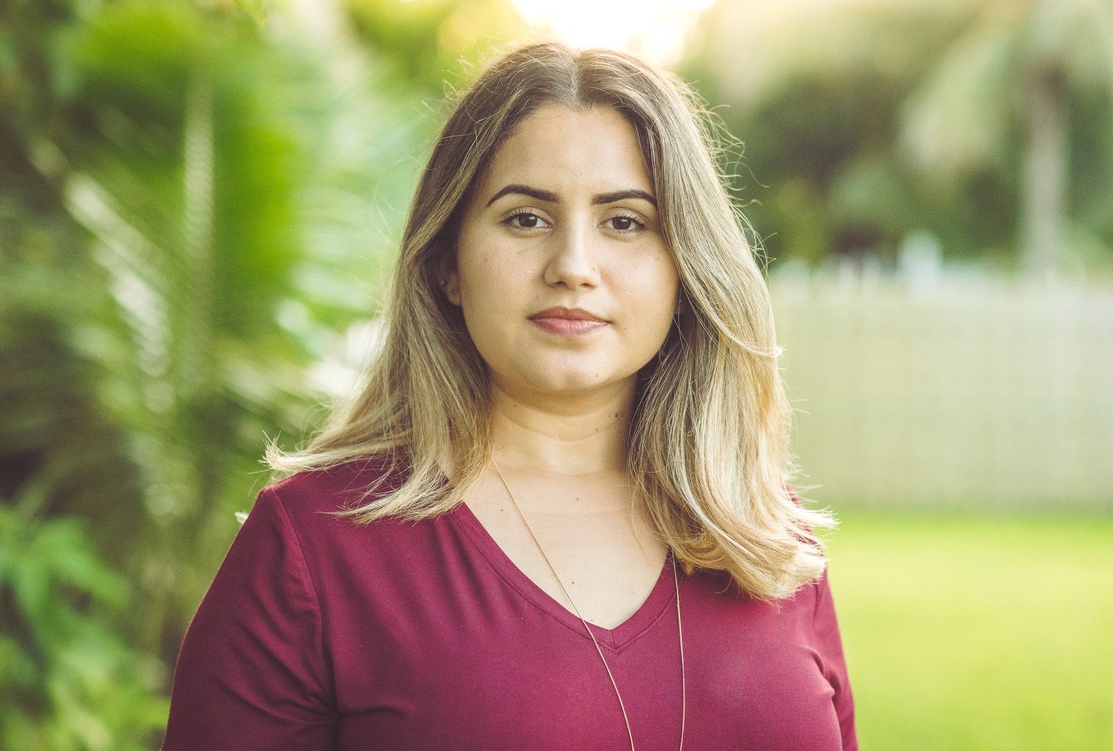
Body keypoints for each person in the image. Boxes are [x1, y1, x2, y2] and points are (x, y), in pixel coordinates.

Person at [163, 42, 857, 750]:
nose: (573, 267)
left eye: (625, 221)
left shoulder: (766, 536)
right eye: (526, 217)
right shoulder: (315, 543)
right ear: (446, 265)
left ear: (685, 269)